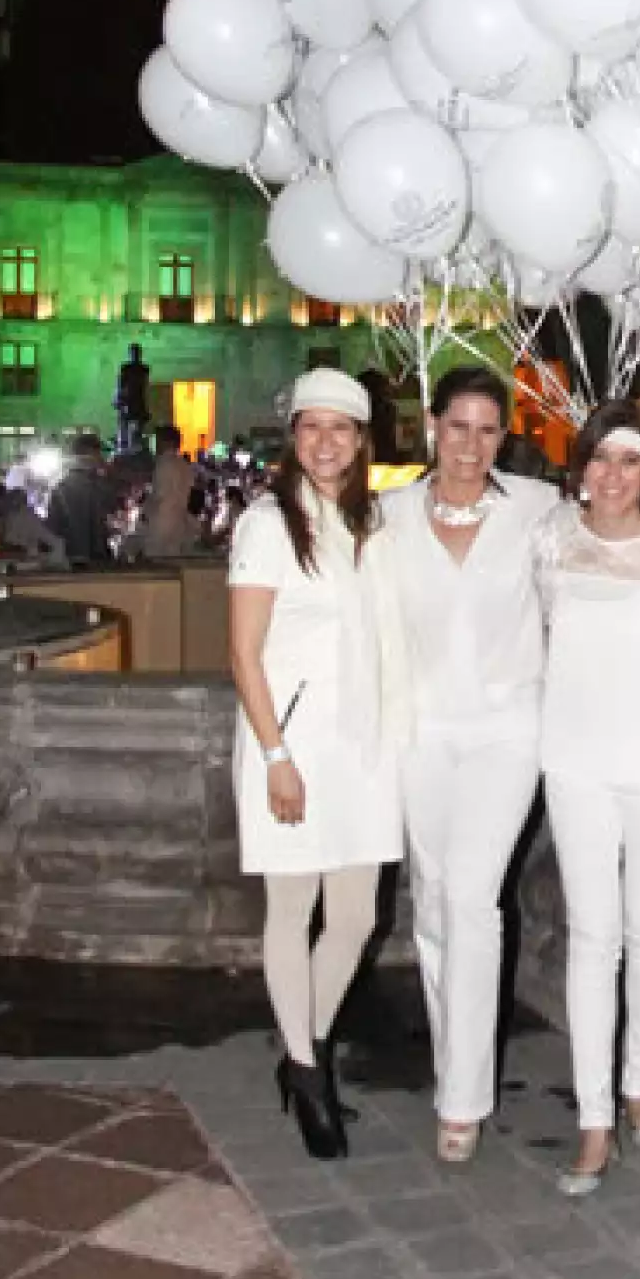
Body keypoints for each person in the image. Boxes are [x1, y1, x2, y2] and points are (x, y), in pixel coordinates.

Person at [228, 370, 409, 1158]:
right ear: (292, 436)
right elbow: (242, 651)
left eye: (342, 428)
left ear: (363, 440)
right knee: (292, 911)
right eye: (312, 427)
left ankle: (304, 1051)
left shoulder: (370, 523)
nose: (326, 441)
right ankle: (308, 1075)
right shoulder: (269, 522)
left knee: (358, 918)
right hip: (294, 745)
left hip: (362, 746)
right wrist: (275, 756)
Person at [385, 365, 558, 1163]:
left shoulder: (537, 509)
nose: (472, 445)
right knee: (432, 906)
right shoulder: (387, 517)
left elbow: (585, 592)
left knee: (474, 900)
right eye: (459, 427)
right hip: (421, 732)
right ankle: (458, 1059)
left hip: (506, 730)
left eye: (489, 430)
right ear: (433, 426)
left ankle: (462, 1098)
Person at [536, 400, 640, 1195]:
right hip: (575, 761)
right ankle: (594, 1118)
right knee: (594, 938)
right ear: (581, 465)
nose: (614, 475)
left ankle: (639, 1085)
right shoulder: (551, 538)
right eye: (601, 458)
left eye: (630, 460)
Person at [47, 434, 113, 565]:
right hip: (92, 556)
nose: (101, 457)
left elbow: (53, 525)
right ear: (89, 453)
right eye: (98, 452)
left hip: (71, 555)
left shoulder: (61, 485)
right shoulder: (96, 484)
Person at [143, 425, 201, 558]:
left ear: (166, 442)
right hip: (179, 521)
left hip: (161, 522)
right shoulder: (184, 466)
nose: (155, 445)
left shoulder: (163, 464)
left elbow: (160, 495)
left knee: (156, 564)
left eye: (158, 440)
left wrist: (146, 509)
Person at [115, 343, 151, 454]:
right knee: (124, 424)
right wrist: (120, 399)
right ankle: (124, 446)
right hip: (128, 400)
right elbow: (120, 384)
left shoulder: (144, 369)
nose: (135, 355)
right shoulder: (126, 368)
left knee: (138, 427)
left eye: (137, 352)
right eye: (133, 352)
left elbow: (145, 387)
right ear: (130, 354)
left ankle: (137, 446)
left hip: (138, 400)